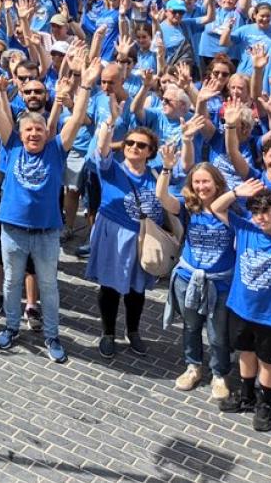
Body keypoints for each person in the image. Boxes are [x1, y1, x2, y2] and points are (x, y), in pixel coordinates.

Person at [0, 44, 95, 364]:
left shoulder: (56, 149)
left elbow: (76, 118)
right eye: (29, 129)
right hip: (13, 230)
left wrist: (84, 85)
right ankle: (11, 326)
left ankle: (52, 335)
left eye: (39, 129)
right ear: (21, 131)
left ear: (46, 131)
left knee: (49, 287)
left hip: (46, 233)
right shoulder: (11, 143)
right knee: (11, 282)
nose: (34, 134)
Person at [218, 184, 271, 433]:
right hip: (241, 308)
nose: (260, 217)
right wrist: (235, 193)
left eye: (266, 211)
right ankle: (247, 395)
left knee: (269, 362)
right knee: (245, 352)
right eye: (255, 212)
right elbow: (216, 207)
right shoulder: (246, 229)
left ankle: (264, 404)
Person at [85, 118, 165, 360]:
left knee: (136, 290)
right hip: (114, 236)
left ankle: (133, 331)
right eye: (129, 143)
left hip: (143, 238)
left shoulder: (156, 174)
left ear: (150, 151)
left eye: (141, 145)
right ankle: (108, 333)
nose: (133, 147)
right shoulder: (112, 169)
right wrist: (108, 126)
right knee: (109, 287)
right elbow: (102, 150)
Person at [157, 158, 236, 400]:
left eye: (206, 182)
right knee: (191, 327)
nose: (201, 187)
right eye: (196, 182)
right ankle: (193, 367)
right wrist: (167, 168)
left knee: (217, 333)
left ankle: (219, 374)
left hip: (220, 282)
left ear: (217, 183)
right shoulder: (188, 207)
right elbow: (162, 197)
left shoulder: (232, 210)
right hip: (188, 278)